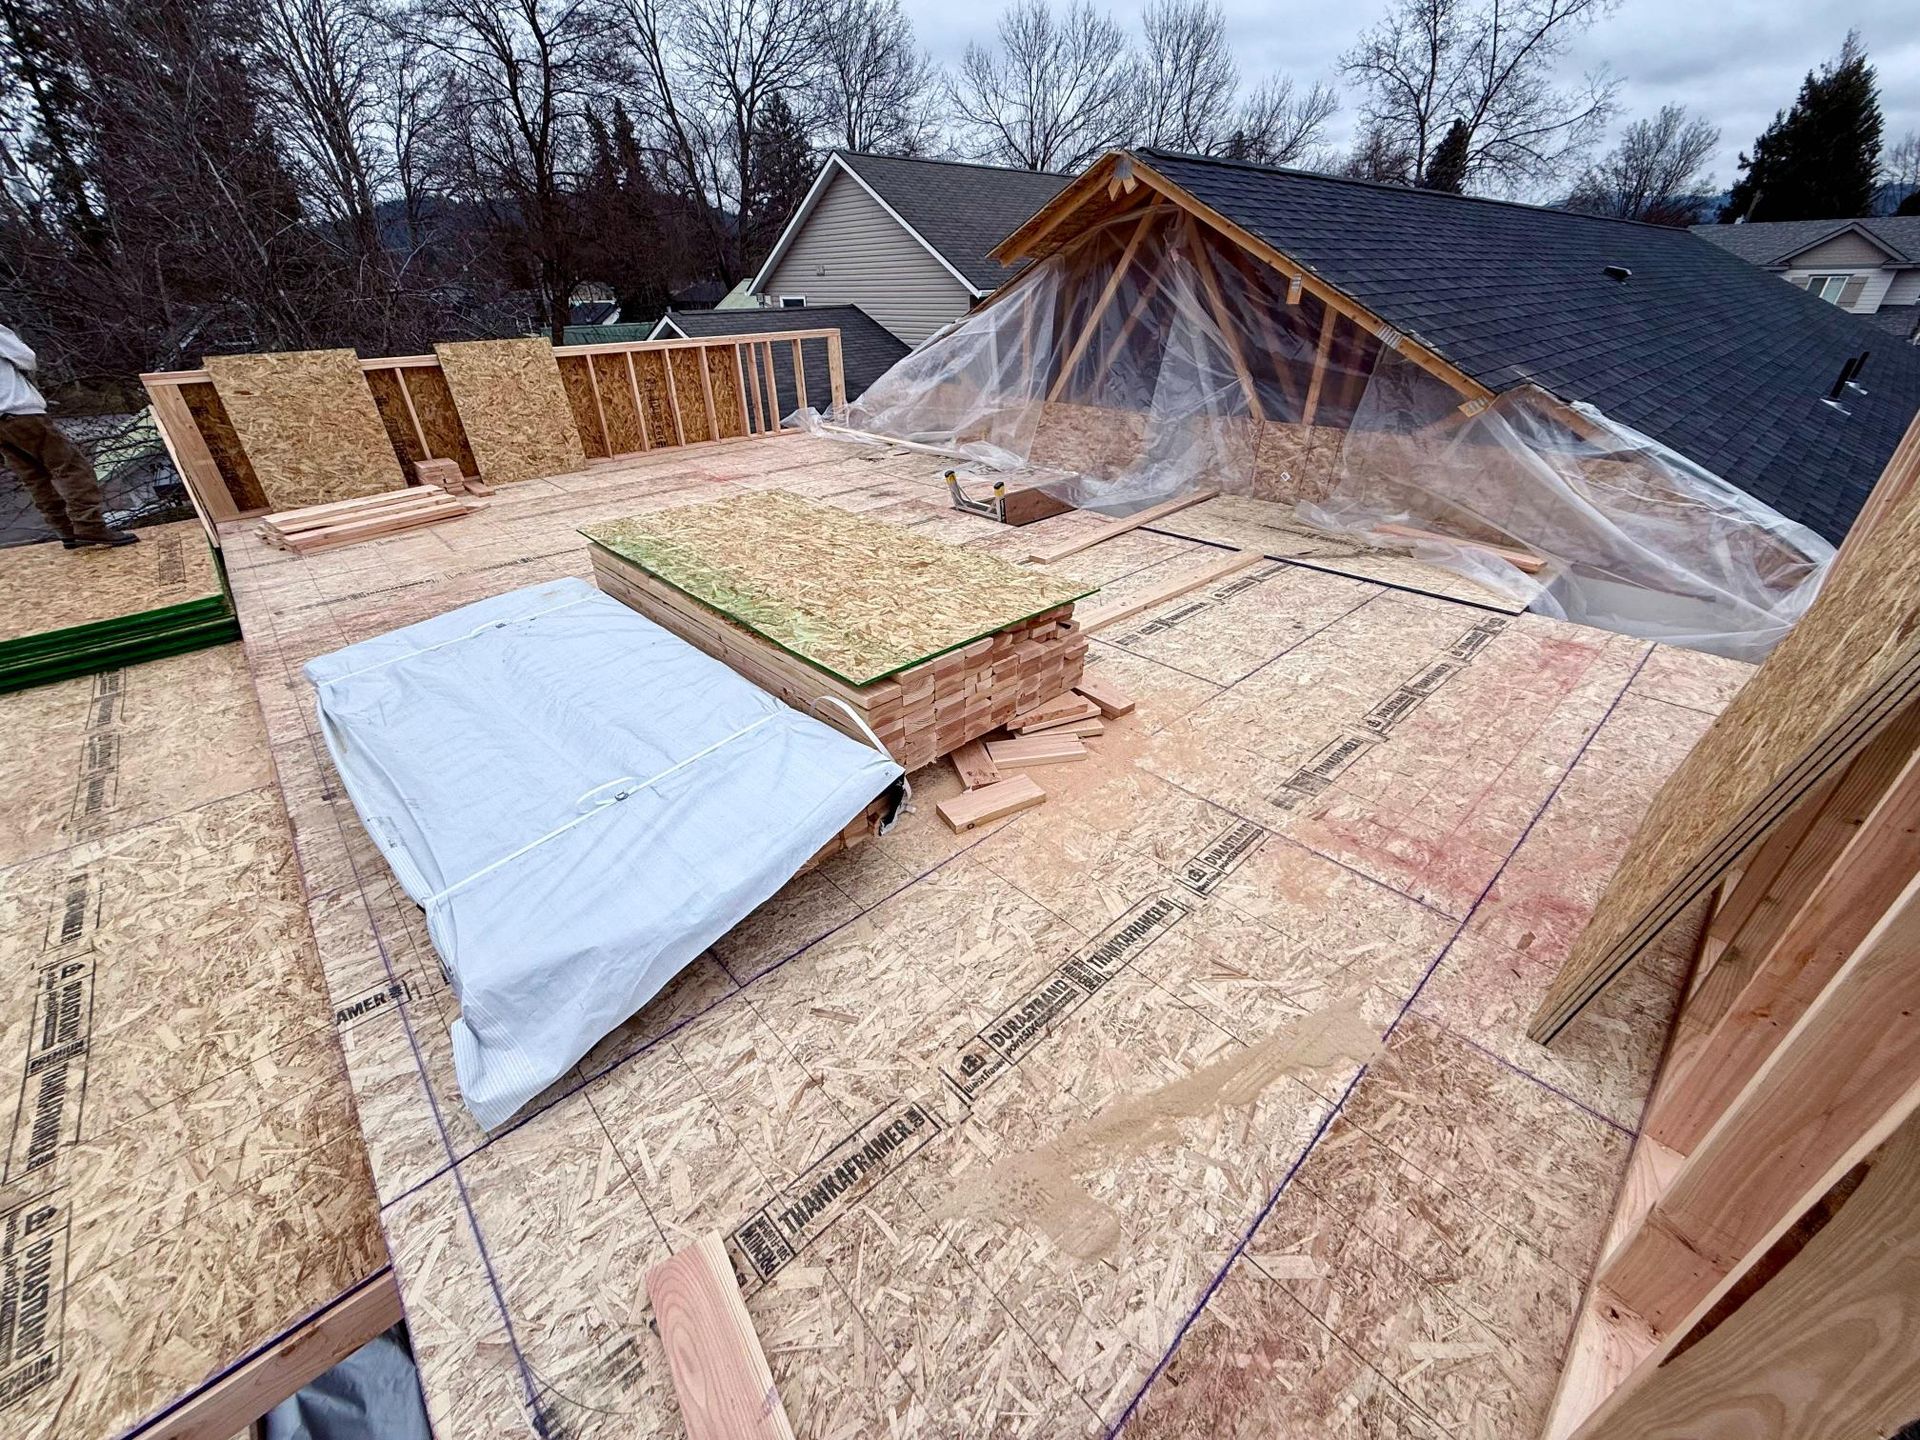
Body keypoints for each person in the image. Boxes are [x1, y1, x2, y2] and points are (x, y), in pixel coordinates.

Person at [0, 323, 137, 547]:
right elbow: (27, 358)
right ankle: (89, 525)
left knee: (35, 478)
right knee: (72, 468)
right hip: (21, 412)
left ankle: (66, 531)